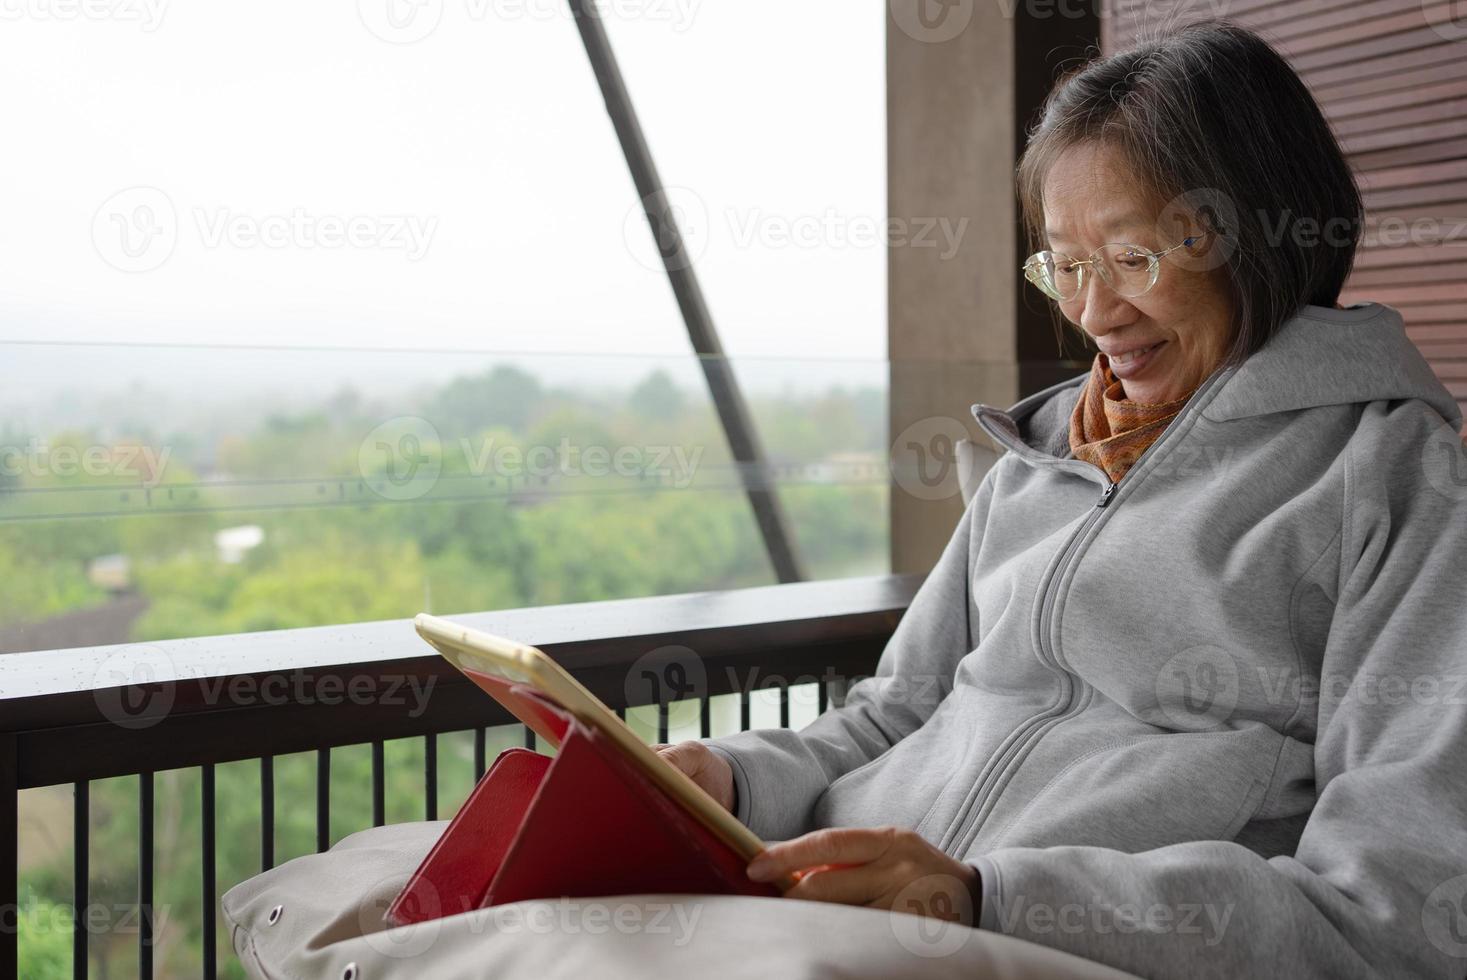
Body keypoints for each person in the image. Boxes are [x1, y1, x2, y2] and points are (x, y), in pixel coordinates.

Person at [658, 20, 1467, 979]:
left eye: (1132, 260)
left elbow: (1391, 911)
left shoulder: (1391, 477)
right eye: (1067, 267)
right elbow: (891, 716)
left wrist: (988, 899)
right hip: (841, 921)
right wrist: (734, 780)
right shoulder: (1037, 457)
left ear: (1257, 233)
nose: (1093, 314)